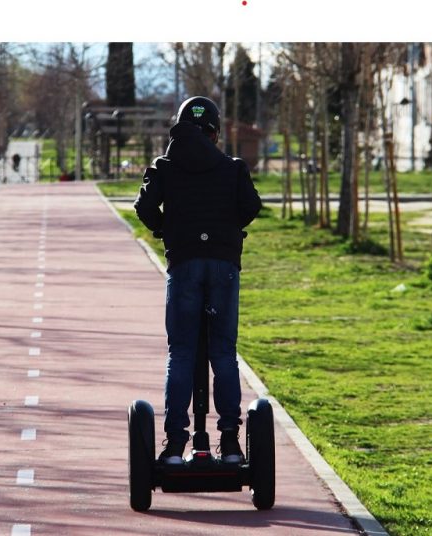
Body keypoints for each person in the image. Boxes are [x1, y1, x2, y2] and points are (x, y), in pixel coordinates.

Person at [134, 96, 262, 465]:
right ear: (215, 133)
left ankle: (175, 446)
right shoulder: (232, 167)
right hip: (223, 265)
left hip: (184, 264)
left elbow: (143, 207)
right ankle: (231, 444)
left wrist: (165, 230)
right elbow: (251, 207)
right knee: (223, 352)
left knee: (182, 353)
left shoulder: (165, 166)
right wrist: (227, 230)